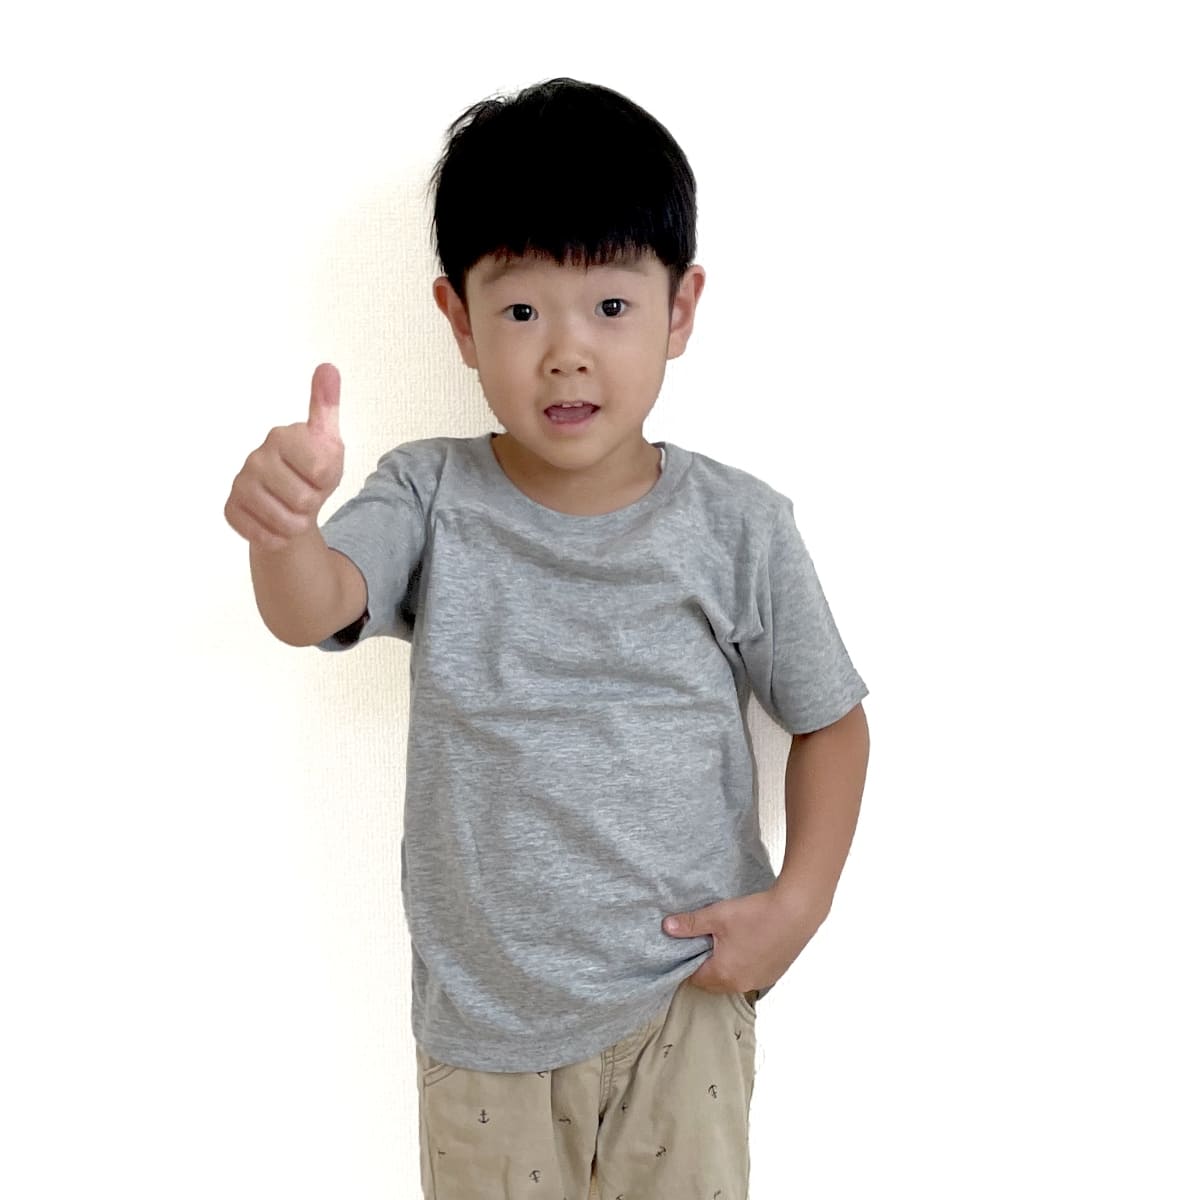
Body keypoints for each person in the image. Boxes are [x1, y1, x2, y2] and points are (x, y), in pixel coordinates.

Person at [225, 76, 870, 1200]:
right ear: (459, 322)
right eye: (522, 311)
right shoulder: (428, 494)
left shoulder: (741, 526)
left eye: (611, 306)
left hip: (683, 1001)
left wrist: (798, 906)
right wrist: (285, 533)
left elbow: (833, 721)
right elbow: (315, 605)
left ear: (681, 309)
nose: (567, 352)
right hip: (486, 1030)